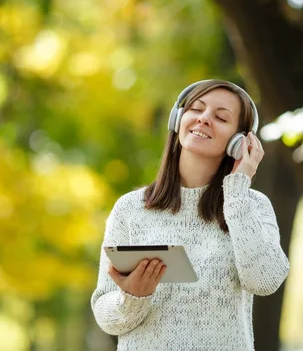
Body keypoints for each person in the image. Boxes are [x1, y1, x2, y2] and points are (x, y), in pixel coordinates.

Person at [90, 79, 290, 350]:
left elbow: (265, 280)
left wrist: (237, 191)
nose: (204, 119)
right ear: (177, 119)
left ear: (240, 142)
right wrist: (133, 298)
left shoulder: (251, 206)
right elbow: (105, 315)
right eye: (196, 109)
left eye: (221, 117)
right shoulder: (130, 209)